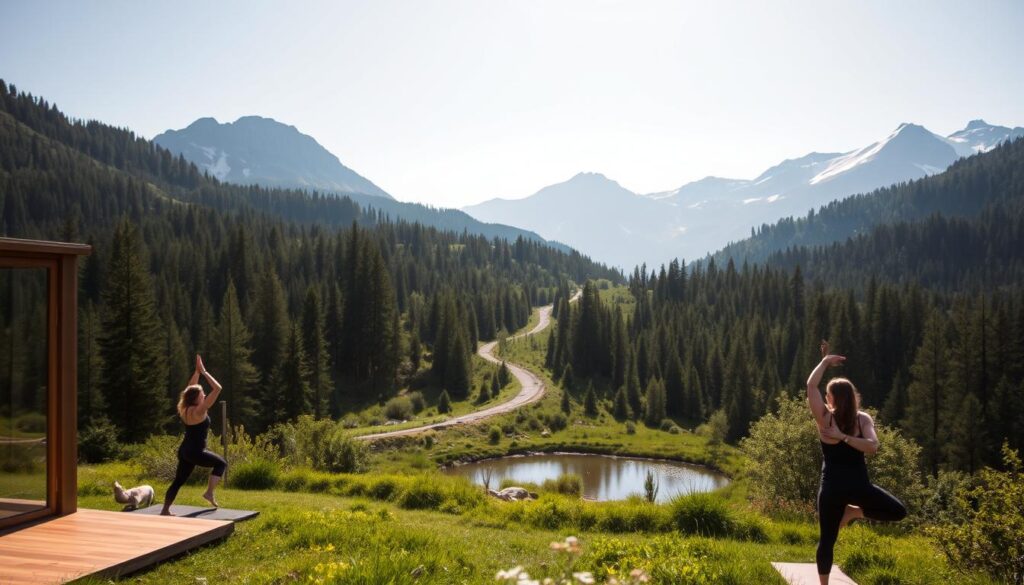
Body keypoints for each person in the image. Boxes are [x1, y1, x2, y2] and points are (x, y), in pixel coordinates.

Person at [806, 341, 906, 584]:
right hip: (834, 490)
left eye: (828, 395)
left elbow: (873, 446)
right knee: (827, 540)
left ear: (836, 399)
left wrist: (843, 437)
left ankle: (854, 512)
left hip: (856, 487)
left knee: (898, 511)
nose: (825, 398)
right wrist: (825, 361)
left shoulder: (855, 420)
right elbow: (811, 386)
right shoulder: (828, 418)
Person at [160, 355, 228, 515]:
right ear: (196, 398)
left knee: (178, 481)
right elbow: (218, 388)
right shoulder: (199, 410)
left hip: (185, 451)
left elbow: (190, 388)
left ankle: (165, 509)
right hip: (197, 452)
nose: (204, 395)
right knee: (221, 464)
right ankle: (209, 493)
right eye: (202, 394)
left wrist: (196, 372)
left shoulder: (184, 408)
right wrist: (204, 372)